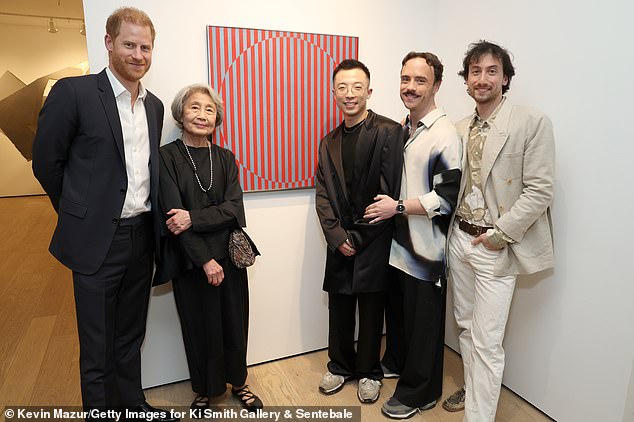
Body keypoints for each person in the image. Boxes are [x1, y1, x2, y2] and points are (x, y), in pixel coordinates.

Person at [31, 7, 177, 421]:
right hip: (97, 241)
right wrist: (79, 212)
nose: (138, 54)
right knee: (97, 342)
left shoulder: (154, 106)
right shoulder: (74, 93)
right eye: (129, 44)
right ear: (109, 43)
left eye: (145, 47)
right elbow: (46, 162)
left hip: (141, 237)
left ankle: (132, 405)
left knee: (131, 334)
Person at [441, 41, 555, 422]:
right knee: (466, 328)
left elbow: (540, 189)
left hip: (495, 246)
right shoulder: (457, 128)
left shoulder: (530, 122)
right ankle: (474, 392)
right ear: (466, 80)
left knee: (488, 342)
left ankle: (478, 417)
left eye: (492, 71)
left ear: (505, 78)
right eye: (475, 71)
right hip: (460, 239)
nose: (483, 78)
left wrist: (499, 235)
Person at [153, 84, 263, 414]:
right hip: (191, 260)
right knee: (199, 327)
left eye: (209, 109)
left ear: (217, 118)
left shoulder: (225, 157)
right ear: (181, 114)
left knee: (234, 322)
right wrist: (204, 261)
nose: (202, 115)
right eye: (195, 108)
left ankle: (239, 383)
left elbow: (234, 209)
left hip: (229, 257)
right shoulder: (166, 156)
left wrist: (193, 217)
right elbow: (173, 219)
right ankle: (203, 390)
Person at [364, 51, 462, 419]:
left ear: (437, 85)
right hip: (400, 247)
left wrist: (398, 207)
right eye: (406, 79)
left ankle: (421, 393)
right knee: (402, 319)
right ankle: (401, 365)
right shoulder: (405, 127)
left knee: (424, 326)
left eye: (420, 81)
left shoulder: (444, 135)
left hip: (426, 251)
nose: (410, 87)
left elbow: (447, 199)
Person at [315, 59, 402, 404]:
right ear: (333, 91)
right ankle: (339, 366)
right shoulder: (328, 141)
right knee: (338, 306)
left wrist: (359, 238)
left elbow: (388, 189)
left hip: (374, 238)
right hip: (339, 241)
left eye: (356, 87)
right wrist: (338, 238)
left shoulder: (388, 131)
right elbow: (322, 194)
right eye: (342, 87)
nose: (349, 94)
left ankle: (369, 371)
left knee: (370, 308)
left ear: (368, 90)